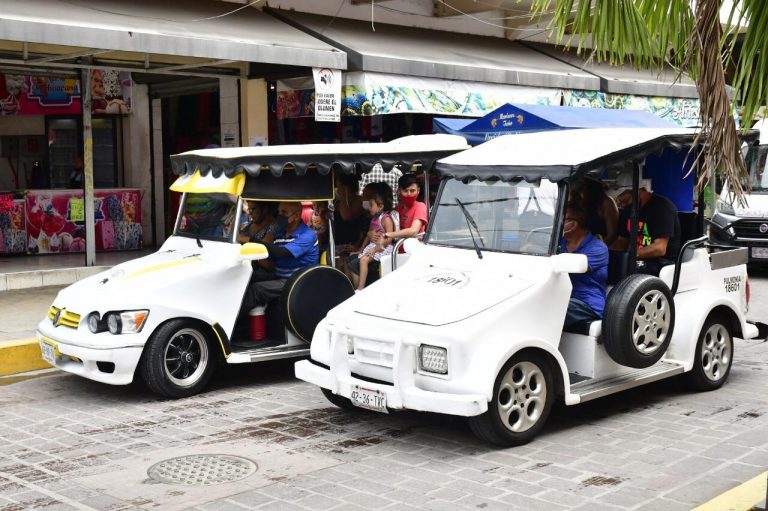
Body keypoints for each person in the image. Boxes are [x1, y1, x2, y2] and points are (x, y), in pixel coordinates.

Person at [241, 201, 319, 311]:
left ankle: (230, 322)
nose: (280, 216)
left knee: (257, 289)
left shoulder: (308, 235)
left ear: (296, 216)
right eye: (279, 212)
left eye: (284, 212)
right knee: (247, 276)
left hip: (297, 282)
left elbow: (281, 253)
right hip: (279, 276)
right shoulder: (280, 233)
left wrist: (250, 240)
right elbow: (271, 255)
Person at [559, 202, 608, 332]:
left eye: (562, 219)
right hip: (563, 296)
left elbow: (569, 266)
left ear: (573, 224)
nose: (558, 223)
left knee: (552, 306)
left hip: (587, 303)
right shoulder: (559, 244)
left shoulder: (598, 247)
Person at [611, 187, 681, 276]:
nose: (623, 206)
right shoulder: (628, 209)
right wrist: (607, 253)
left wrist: (629, 256)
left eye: (627, 203)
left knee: (629, 270)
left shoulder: (662, 208)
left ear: (640, 195)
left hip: (661, 261)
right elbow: (622, 241)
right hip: (637, 257)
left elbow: (659, 248)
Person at [347, 183, 396, 291]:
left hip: (383, 248)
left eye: (371, 205)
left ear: (380, 206)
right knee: (355, 259)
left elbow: (389, 238)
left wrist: (375, 249)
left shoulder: (386, 219)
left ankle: (360, 288)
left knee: (364, 260)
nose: (369, 208)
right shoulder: (374, 219)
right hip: (373, 246)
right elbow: (368, 236)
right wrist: (360, 250)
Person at [375, 173, 428, 249]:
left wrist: (388, 234)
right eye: (405, 191)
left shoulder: (420, 206)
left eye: (412, 191)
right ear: (399, 191)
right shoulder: (397, 210)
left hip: (411, 251)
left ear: (418, 191)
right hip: (395, 249)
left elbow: (413, 231)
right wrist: (371, 234)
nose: (409, 194)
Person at [572, 176, 619, 247]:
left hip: (599, 246)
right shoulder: (578, 202)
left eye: (584, 187)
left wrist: (597, 249)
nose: (582, 193)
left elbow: (612, 234)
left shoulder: (606, 202)